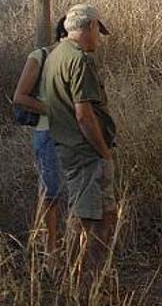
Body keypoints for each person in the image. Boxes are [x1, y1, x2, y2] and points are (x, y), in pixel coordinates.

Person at [42, 4, 115, 279]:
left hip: (67, 148)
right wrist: (104, 152)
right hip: (86, 153)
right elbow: (84, 115)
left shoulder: (55, 55)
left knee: (91, 214)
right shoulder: (80, 60)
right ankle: (86, 282)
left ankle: (81, 278)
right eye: (98, 31)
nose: (98, 38)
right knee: (90, 220)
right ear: (91, 27)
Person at [12, 17, 70, 253]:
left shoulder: (76, 61)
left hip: (72, 135)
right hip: (47, 132)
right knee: (51, 193)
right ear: (65, 35)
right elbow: (20, 97)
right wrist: (55, 109)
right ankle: (49, 252)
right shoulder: (40, 57)